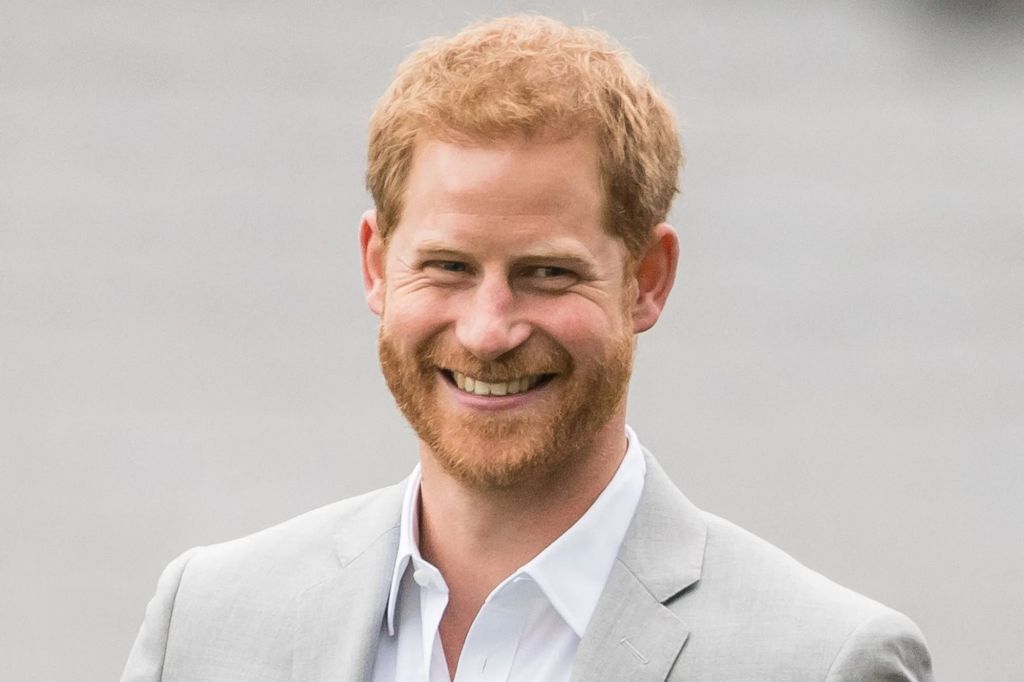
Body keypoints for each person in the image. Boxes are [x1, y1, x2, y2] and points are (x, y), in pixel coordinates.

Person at [121, 15, 933, 682]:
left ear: (647, 280)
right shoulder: (207, 625)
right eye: (447, 267)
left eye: (547, 273)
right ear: (376, 265)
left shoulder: (823, 661)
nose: (488, 329)